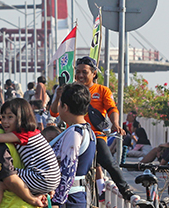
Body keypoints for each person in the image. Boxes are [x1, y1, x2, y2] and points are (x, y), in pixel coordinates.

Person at [51, 56, 134, 200]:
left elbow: (112, 109)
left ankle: (125, 190)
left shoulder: (102, 91)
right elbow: (54, 112)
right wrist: (58, 97)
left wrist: (115, 124)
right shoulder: (70, 89)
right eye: (78, 72)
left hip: (94, 135)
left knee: (108, 162)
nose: (80, 75)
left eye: (84, 72)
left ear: (94, 73)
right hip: (74, 134)